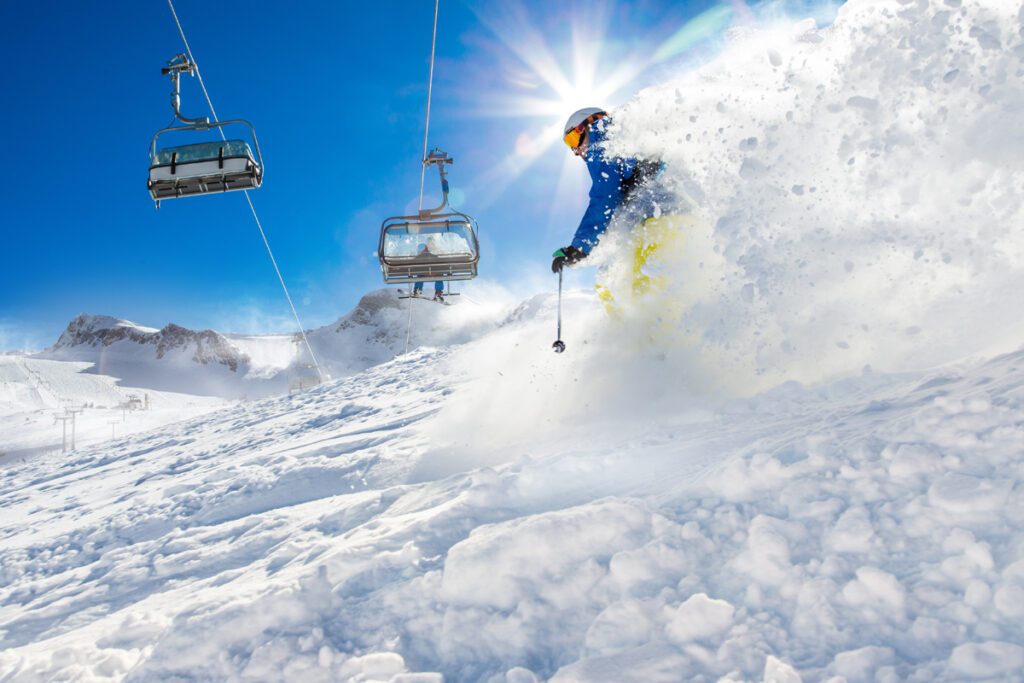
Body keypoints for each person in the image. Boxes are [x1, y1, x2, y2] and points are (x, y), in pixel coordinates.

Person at [551, 107, 663, 273]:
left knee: (627, 266)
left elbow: (604, 197)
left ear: (587, 125)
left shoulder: (599, 143)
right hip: (667, 194)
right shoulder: (623, 133)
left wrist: (579, 248)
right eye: (570, 146)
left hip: (658, 206)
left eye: (573, 139)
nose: (576, 151)